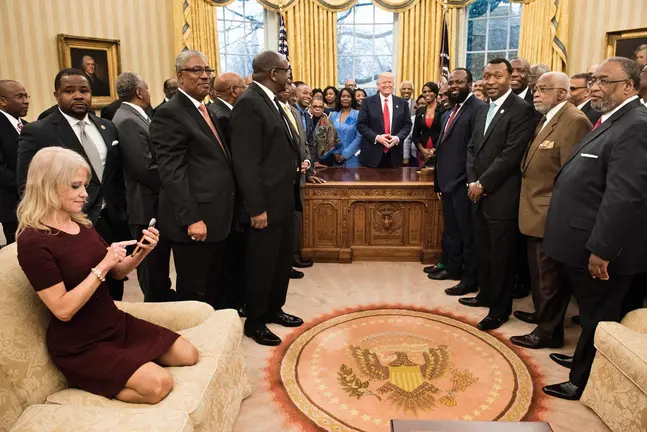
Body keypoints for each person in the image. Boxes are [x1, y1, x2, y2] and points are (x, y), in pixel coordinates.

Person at [16, 147, 198, 403]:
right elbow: (62, 309)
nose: (84, 194)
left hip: (113, 323)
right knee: (159, 386)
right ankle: (89, 379)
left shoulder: (81, 224)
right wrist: (102, 265)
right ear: (49, 185)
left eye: (85, 185)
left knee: (189, 354)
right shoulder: (33, 241)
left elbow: (117, 272)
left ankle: (125, 367)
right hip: (80, 344)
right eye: (75, 186)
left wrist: (141, 252)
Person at [542, 57, 647, 400]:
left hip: (601, 249)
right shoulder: (612, 118)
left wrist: (602, 249)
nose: (595, 87)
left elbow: (624, 196)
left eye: (605, 81)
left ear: (629, 86)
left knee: (598, 315)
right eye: (593, 80)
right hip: (581, 238)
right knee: (590, 313)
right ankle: (581, 359)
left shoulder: (636, 125)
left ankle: (582, 381)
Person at [17, 68, 130, 300]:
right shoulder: (39, 131)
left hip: (112, 221)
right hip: (69, 224)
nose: (78, 96)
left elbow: (115, 176)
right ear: (56, 94)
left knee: (114, 283)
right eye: (69, 91)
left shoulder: (107, 128)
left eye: (84, 90)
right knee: (80, 288)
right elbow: (27, 185)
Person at [509, 72, 592, 350]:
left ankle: (548, 332)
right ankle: (542, 316)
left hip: (550, 215)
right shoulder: (547, 118)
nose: (536, 93)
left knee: (549, 279)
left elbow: (573, 176)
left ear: (562, 93)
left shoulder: (574, 121)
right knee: (540, 276)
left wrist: (558, 213)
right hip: (534, 211)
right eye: (536, 88)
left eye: (543, 89)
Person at [229, 50, 304, 346]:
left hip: (283, 199)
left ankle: (274, 308)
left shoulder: (272, 101)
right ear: (274, 74)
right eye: (287, 70)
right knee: (262, 263)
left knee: (281, 260)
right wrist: (256, 208)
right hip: (265, 206)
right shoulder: (249, 103)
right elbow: (246, 162)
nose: (289, 76)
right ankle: (256, 321)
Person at [150, 51, 234, 307]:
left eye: (207, 70)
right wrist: (192, 218)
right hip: (195, 220)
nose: (205, 76)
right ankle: (193, 342)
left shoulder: (204, 109)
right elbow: (172, 172)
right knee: (194, 291)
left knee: (214, 286)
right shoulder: (170, 113)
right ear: (180, 77)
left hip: (217, 215)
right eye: (196, 70)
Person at [461, 58, 536, 331]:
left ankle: (500, 310)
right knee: (484, 250)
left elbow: (510, 155)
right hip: (477, 193)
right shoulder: (483, 109)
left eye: (497, 76)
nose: (490, 81)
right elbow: (472, 149)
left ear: (509, 77)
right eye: (486, 76)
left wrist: (482, 183)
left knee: (502, 256)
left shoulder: (521, 110)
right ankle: (486, 294)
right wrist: (472, 181)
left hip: (501, 196)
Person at [111, 72, 174, 303]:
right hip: (145, 202)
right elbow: (143, 167)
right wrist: (172, 184)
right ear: (139, 91)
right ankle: (156, 304)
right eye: (147, 87)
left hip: (152, 200)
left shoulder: (136, 115)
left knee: (157, 260)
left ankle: (162, 295)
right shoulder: (127, 119)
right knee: (149, 262)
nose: (149, 92)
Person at [435, 68, 486, 293]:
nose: (454, 86)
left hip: (465, 183)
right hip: (447, 182)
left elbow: (476, 151)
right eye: (451, 82)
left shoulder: (478, 109)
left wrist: (471, 181)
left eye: (460, 82)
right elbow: (444, 150)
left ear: (470, 84)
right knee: (452, 230)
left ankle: (470, 279)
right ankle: (453, 268)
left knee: (468, 235)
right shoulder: (449, 111)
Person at [276, 83, 314, 279]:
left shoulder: (295, 113)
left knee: (294, 218)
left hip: (299, 174)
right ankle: (287, 259)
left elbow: (303, 143)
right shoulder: (275, 112)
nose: (289, 92)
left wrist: (307, 160)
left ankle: (292, 256)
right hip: (282, 177)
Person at [356, 72, 412, 168]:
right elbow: (361, 125)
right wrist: (377, 137)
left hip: (394, 155)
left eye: (390, 82)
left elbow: (407, 125)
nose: (387, 85)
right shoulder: (367, 102)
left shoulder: (403, 103)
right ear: (378, 85)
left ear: (393, 84)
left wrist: (398, 138)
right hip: (371, 155)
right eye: (384, 82)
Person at [0, 80, 29, 245]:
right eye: (19, 97)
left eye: (26, 96)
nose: (26, 101)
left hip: (32, 205)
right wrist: (29, 187)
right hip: (12, 205)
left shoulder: (25, 126)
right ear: (2, 101)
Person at [411, 82, 442, 169]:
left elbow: (444, 133)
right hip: (422, 152)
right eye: (424, 92)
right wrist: (423, 150)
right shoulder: (420, 111)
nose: (427, 94)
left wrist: (434, 150)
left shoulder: (443, 109)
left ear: (435, 93)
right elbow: (415, 135)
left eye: (430, 91)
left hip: (439, 151)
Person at [329, 87, 362, 167]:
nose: (345, 98)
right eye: (343, 96)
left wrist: (344, 155)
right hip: (335, 159)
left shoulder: (358, 114)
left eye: (348, 96)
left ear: (352, 99)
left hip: (353, 159)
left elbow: (359, 137)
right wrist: (335, 153)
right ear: (339, 98)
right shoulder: (333, 115)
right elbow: (329, 136)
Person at [208, 72, 246, 136]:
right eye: (244, 87)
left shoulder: (212, 108)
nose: (246, 91)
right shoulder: (224, 118)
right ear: (233, 91)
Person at [310, 98, 339, 164]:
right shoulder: (306, 121)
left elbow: (330, 144)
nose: (317, 109)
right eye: (315, 106)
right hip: (309, 159)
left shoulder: (328, 124)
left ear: (323, 109)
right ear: (311, 107)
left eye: (320, 107)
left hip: (326, 159)